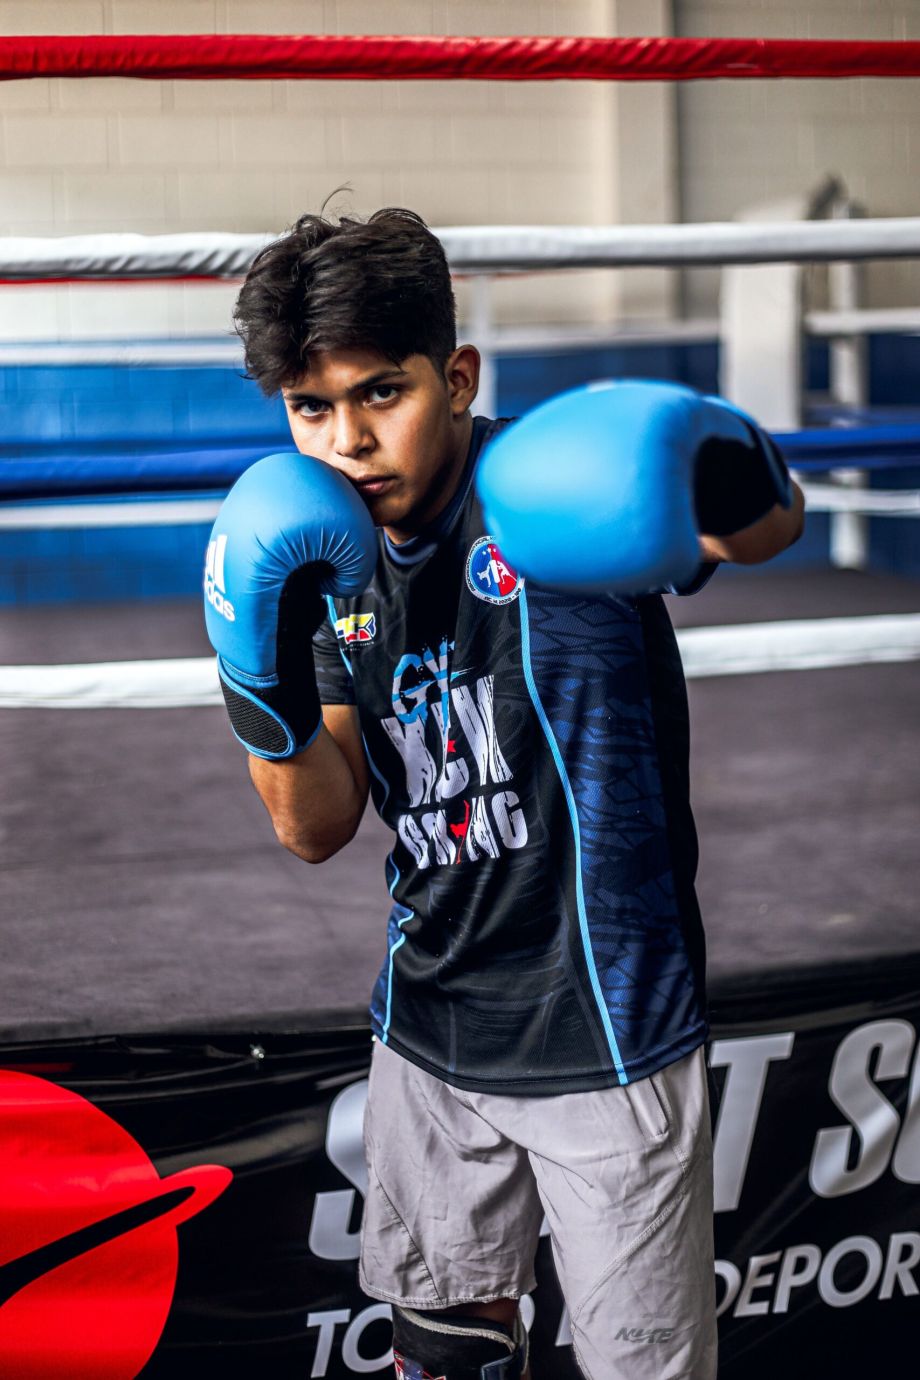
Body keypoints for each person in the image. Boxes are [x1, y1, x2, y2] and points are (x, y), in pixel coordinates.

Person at [207, 207, 805, 1380]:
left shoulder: (547, 492)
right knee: (444, 1357)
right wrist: (253, 677)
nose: (347, 441)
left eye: (381, 393)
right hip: (428, 1024)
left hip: (606, 1031)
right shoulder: (319, 556)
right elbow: (313, 825)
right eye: (310, 408)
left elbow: (767, 533)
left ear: (457, 378)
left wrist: (721, 457)